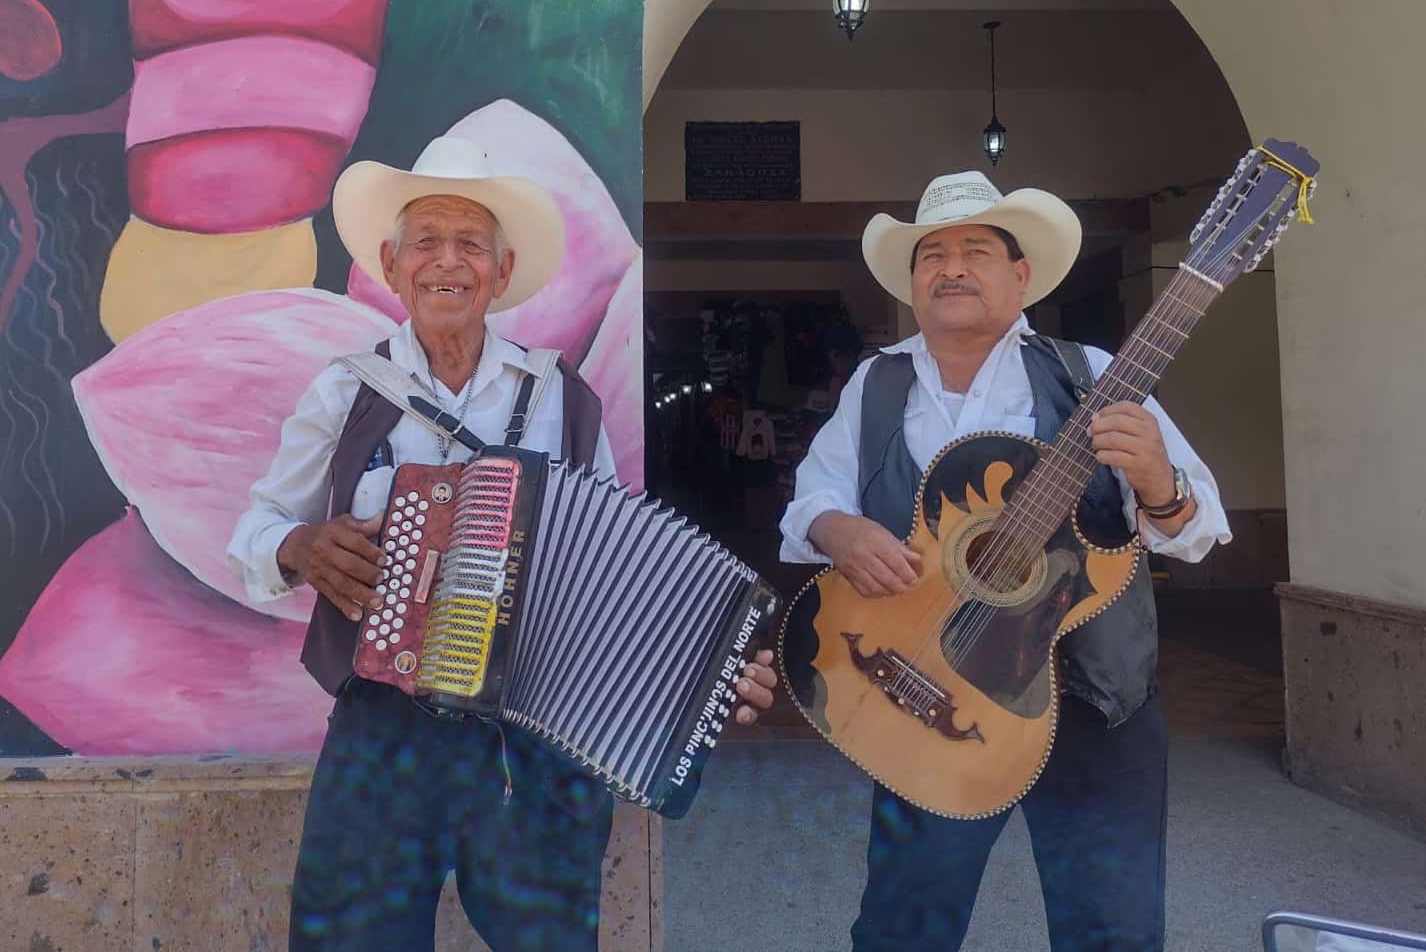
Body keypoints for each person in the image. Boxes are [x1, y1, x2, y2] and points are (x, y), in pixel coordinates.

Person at [226, 135, 778, 952]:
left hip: (532, 744)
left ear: (501, 270)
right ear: (391, 261)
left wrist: (706, 675)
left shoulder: (564, 398)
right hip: (385, 733)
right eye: (426, 241)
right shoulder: (346, 390)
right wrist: (300, 546)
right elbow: (254, 531)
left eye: (469, 244)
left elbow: (618, 575)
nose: (446, 262)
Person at [779, 170, 1231, 952]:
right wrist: (836, 531)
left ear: (1020, 277)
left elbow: (1197, 531)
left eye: (976, 250)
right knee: (901, 926)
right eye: (933, 254)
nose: (951, 267)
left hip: (1093, 705)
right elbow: (809, 501)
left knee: (1111, 929)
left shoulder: (1092, 373)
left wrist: (1161, 485)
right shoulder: (876, 383)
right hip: (928, 694)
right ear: (913, 281)